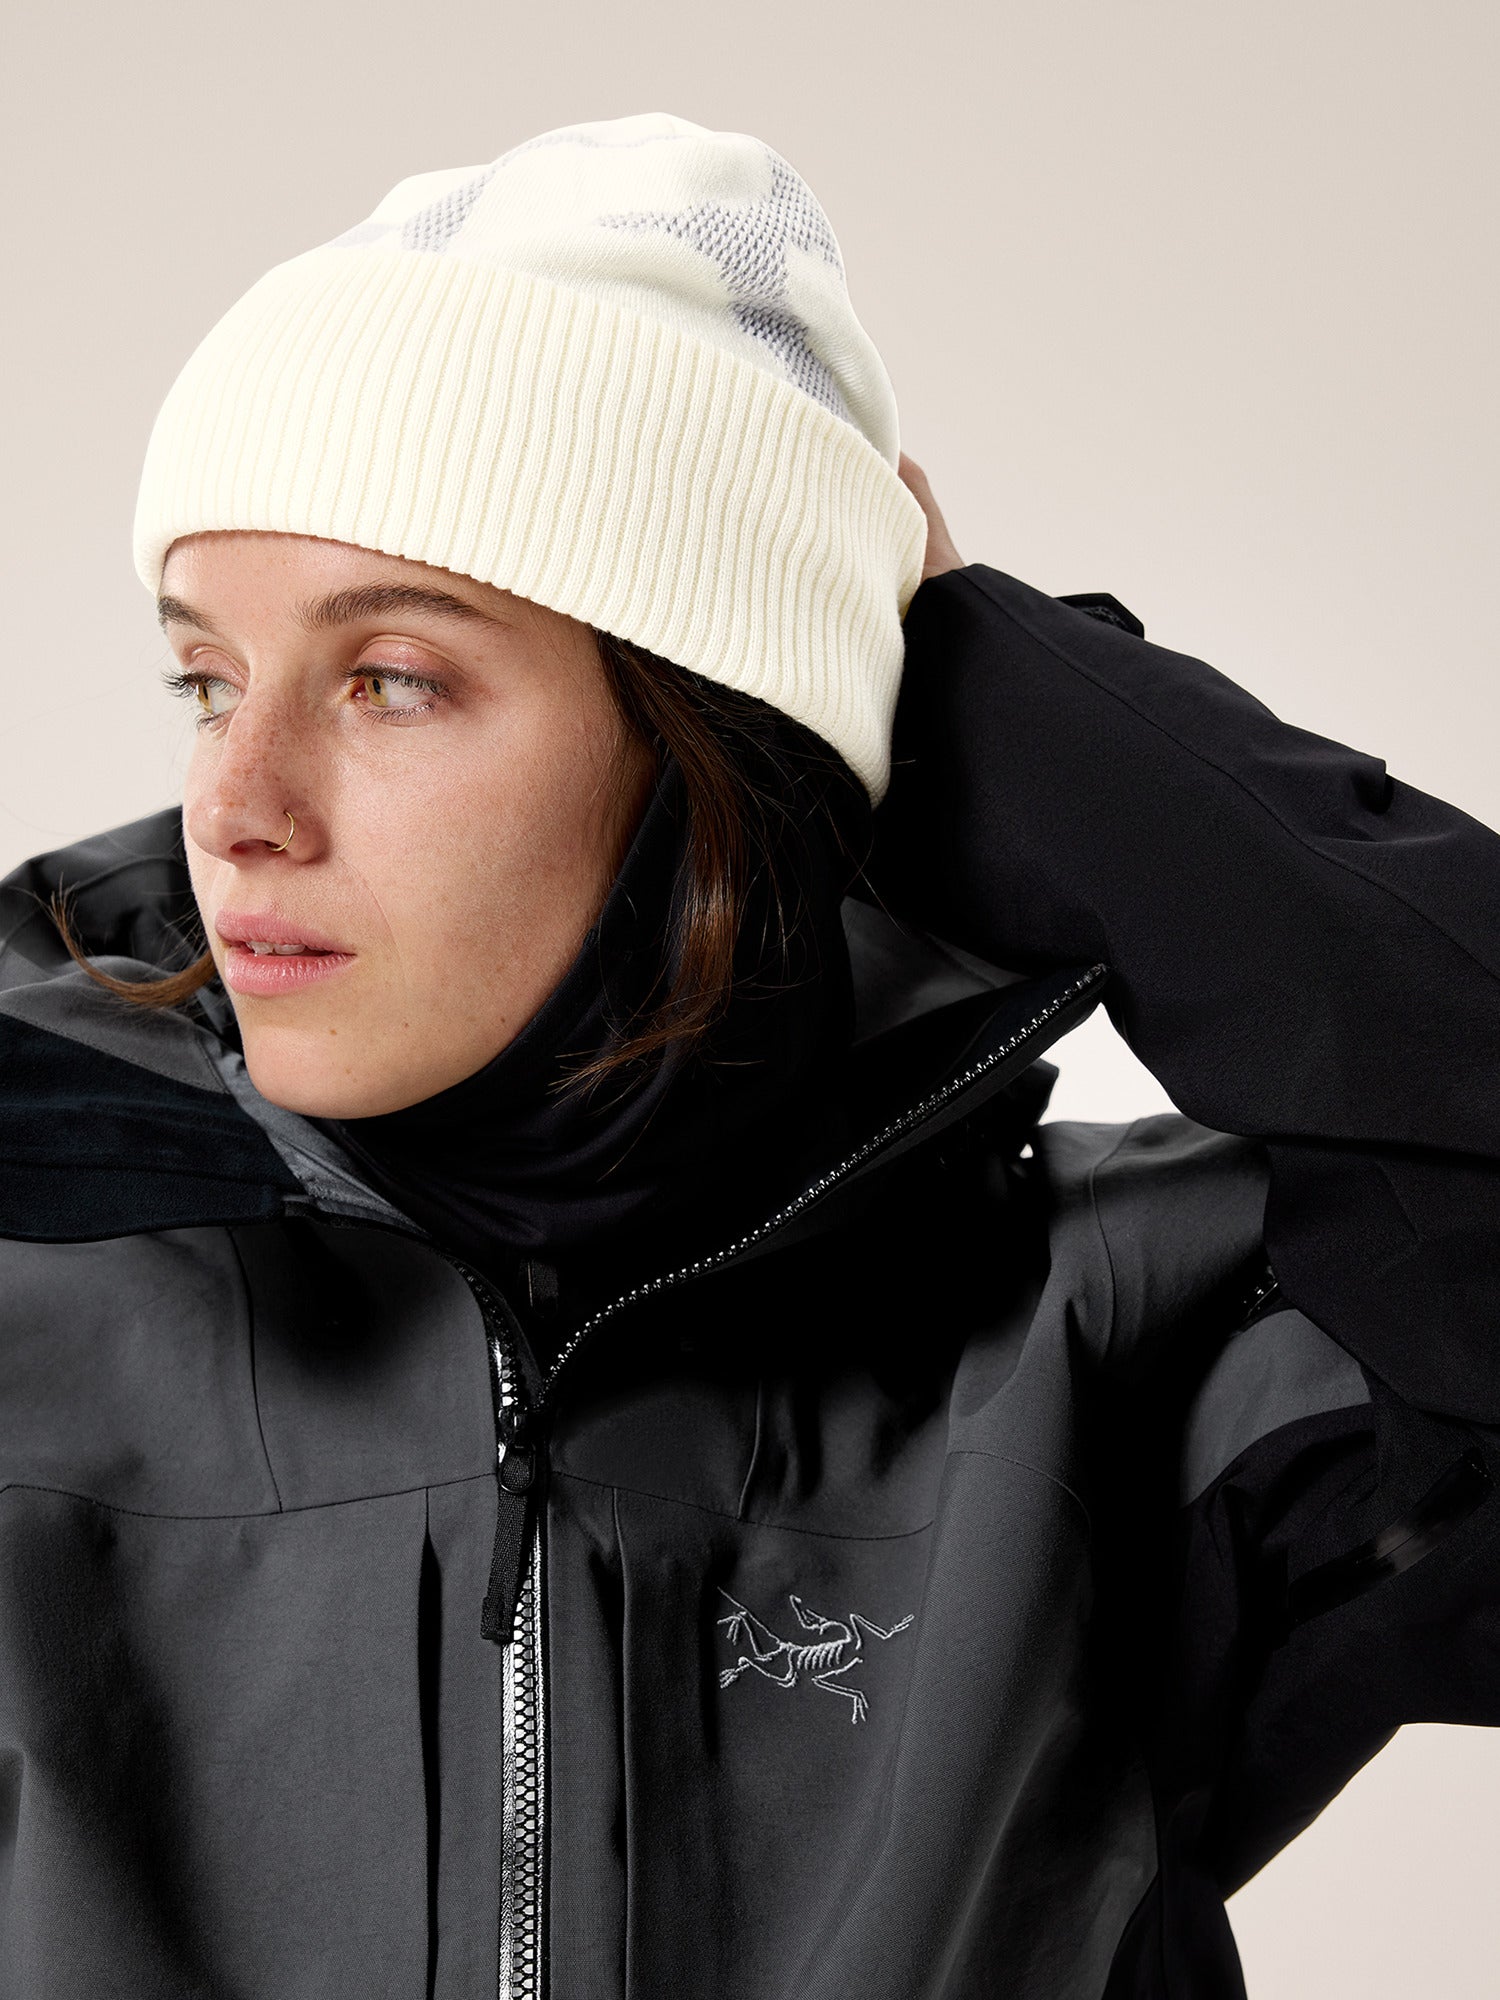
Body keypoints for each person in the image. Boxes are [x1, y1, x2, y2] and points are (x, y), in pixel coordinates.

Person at [1, 109, 1496, 2000]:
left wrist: (1020, 714)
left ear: (705, 747)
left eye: (391, 679)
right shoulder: (29, 1303)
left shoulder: (1102, 1347)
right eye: (208, 679)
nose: (236, 807)